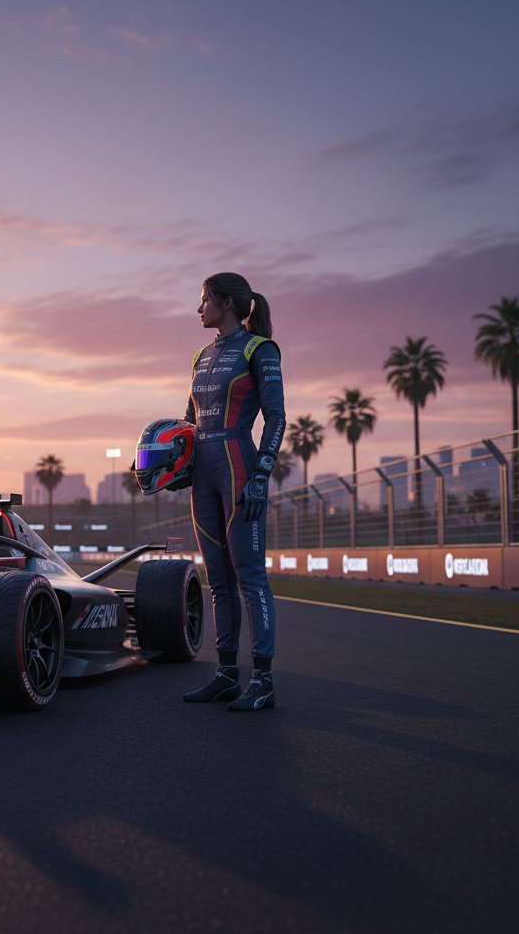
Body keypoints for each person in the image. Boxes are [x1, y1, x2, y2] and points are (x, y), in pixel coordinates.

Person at [182, 272, 285, 710]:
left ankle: (262, 680)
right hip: (203, 475)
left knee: (250, 577)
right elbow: (187, 421)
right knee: (218, 580)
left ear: (226, 302)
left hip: (239, 468)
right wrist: (162, 461)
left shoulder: (259, 349)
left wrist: (262, 473)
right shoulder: (201, 356)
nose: (199, 308)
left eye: (204, 299)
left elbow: (277, 418)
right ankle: (226, 673)